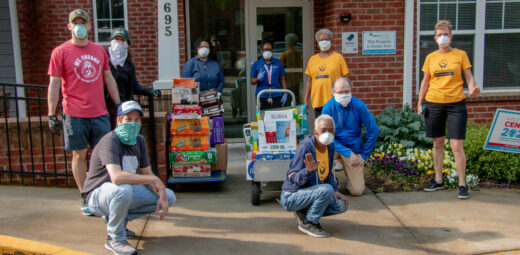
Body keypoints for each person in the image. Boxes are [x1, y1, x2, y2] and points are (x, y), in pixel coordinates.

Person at [47, 9, 120, 216]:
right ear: (69, 26)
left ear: (89, 26)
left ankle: (102, 196)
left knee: (105, 156)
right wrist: (51, 113)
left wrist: (119, 104)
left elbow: (108, 79)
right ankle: (86, 196)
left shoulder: (98, 50)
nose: (79, 25)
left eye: (83, 22)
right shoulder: (60, 52)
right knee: (79, 155)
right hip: (74, 113)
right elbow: (53, 84)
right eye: (75, 22)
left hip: (99, 113)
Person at [82, 101, 176, 255]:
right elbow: (117, 178)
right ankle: (115, 238)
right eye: (128, 119)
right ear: (118, 121)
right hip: (96, 195)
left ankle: (120, 222)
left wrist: (160, 191)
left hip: (121, 193)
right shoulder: (110, 141)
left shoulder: (139, 141)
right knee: (123, 189)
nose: (133, 124)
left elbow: (147, 173)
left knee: (169, 196)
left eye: (136, 119)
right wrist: (154, 180)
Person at [418, 20, 480, 199]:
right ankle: (438, 180)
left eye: (445, 34)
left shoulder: (460, 55)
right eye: (439, 34)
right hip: (434, 103)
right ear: (435, 37)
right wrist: (419, 102)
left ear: (451, 36)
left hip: (456, 105)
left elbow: (468, 76)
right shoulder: (430, 57)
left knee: (456, 145)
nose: (442, 37)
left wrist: (473, 88)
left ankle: (462, 184)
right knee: (437, 143)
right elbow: (426, 81)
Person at [280, 114, 349, 238]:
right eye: (323, 130)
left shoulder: (330, 147)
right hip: (292, 196)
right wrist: (308, 171)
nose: (327, 133)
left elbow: (328, 175)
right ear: (315, 131)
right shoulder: (306, 146)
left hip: (310, 194)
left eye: (331, 130)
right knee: (326, 189)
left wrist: (335, 190)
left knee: (341, 205)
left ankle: (303, 212)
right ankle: (309, 223)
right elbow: (292, 177)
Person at [322, 77, 379, 196]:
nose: (344, 94)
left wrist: (363, 155)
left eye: (347, 91)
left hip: (353, 147)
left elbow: (373, 130)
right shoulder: (328, 107)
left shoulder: (359, 105)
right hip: (333, 145)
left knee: (357, 191)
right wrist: (347, 153)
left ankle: (343, 163)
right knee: (327, 187)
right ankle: (332, 179)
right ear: (333, 92)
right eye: (340, 92)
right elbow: (325, 135)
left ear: (351, 90)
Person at [105, 28, 161, 130]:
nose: (118, 43)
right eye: (116, 39)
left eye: (122, 40)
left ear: (127, 43)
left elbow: (134, 87)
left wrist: (150, 91)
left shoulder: (129, 65)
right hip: (105, 108)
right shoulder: (104, 60)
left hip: (122, 108)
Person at [304, 28, 349, 117]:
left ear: (331, 41)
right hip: (318, 101)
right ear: (317, 42)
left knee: (335, 128)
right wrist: (306, 99)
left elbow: (345, 80)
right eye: (321, 39)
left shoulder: (338, 57)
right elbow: (310, 81)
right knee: (321, 128)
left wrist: (345, 97)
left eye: (326, 39)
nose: (324, 41)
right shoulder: (313, 59)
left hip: (335, 100)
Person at [250, 40, 288, 110]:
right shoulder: (256, 64)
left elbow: (282, 79)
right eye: (265, 50)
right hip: (262, 95)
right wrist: (257, 78)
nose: (267, 51)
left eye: (269, 50)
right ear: (261, 51)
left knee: (276, 117)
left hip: (276, 94)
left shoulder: (278, 63)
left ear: (272, 51)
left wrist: (285, 93)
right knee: (263, 118)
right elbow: (252, 81)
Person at [281, 33, 303, 104]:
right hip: (297, 80)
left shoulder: (285, 54)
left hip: (289, 82)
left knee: (289, 99)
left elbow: (282, 67)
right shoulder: (300, 53)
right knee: (296, 97)